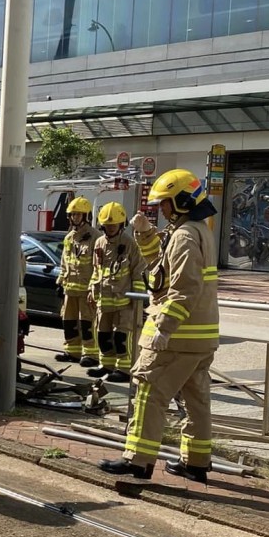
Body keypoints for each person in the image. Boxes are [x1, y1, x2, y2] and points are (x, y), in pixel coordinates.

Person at [100, 169, 220, 483]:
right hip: (199, 337)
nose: (161, 209)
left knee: (148, 391)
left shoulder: (183, 235)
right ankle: (196, 462)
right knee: (196, 399)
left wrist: (164, 328)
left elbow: (183, 289)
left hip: (177, 337)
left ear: (182, 201)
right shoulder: (198, 230)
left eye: (165, 203)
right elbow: (158, 275)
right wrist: (145, 236)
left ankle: (137, 460)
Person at [86, 201, 146, 383]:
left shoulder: (130, 244)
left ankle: (125, 369)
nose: (111, 227)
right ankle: (107, 365)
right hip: (103, 300)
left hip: (124, 301)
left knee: (121, 337)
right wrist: (91, 289)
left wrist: (138, 299)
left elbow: (138, 272)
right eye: (107, 224)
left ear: (122, 224)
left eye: (114, 224)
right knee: (103, 335)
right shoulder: (99, 243)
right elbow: (96, 270)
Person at [55, 196, 98, 367]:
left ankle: (90, 354)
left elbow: (98, 266)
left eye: (79, 215)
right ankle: (72, 351)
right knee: (69, 321)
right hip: (69, 288)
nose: (75, 218)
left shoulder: (96, 237)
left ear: (86, 216)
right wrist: (60, 282)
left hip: (86, 289)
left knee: (87, 322)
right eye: (73, 215)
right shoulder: (69, 238)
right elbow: (65, 262)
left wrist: (94, 288)